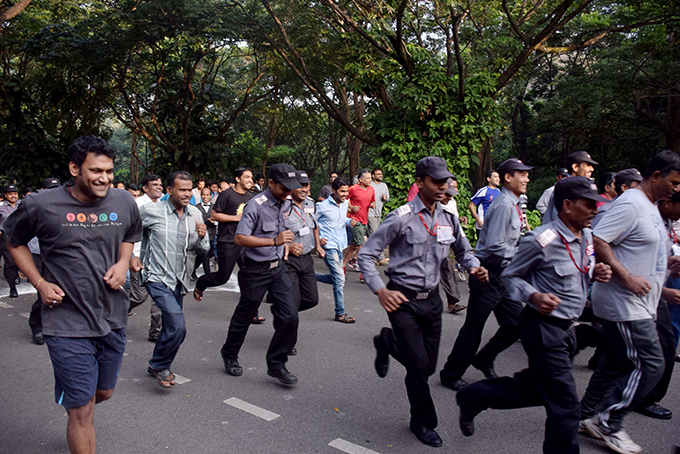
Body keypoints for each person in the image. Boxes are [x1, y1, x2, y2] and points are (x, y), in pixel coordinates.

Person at [5, 136, 142, 454]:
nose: (105, 178)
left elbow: (131, 233)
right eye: (96, 170)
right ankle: (76, 397)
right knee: (82, 412)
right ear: (74, 168)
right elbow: (14, 241)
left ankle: (76, 390)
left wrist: (123, 262)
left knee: (103, 393)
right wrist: (39, 283)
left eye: (109, 171)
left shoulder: (123, 201)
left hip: (112, 315)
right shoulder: (41, 204)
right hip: (66, 321)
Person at [456, 177, 611, 454]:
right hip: (542, 327)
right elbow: (511, 276)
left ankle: (474, 396)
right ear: (567, 205)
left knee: (537, 388)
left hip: (566, 327)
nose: (594, 210)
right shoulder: (542, 239)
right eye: (588, 205)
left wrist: (597, 272)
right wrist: (534, 296)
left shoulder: (586, 236)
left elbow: (581, 268)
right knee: (565, 407)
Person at [358, 156, 488, 448]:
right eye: (437, 181)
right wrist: (380, 290)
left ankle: (388, 343)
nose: (444, 187)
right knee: (418, 369)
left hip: (431, 301)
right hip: (401, 299)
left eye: (446, 181)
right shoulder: (400, 217)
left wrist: (474, 266)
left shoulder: (449, 218)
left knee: (428, 366)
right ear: (420, 183)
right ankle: (422, 420)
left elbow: (465, 252)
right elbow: (366, 255)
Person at [580, 150, 680, 454]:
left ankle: (585, 416)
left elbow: (642, 251)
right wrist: (627, 278)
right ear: (656, 176)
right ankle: (608, 422)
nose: (676, 189)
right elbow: (599, 240)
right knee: (652, 363)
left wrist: (670, 263)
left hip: (643, 303)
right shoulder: (630, 204)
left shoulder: (649, 206)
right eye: (674, 182)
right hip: (624, 304)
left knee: (615, 362)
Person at [440, 158, 532, 391]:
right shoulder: (502, 206)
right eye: (522, 174)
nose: (527, 178)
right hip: (488, 274)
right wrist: (525, 254)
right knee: (474, 328)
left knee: (516, 324)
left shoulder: (515, 203)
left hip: (505, 276)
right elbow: (494, 246)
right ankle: (450, 374)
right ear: (508, 177)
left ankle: (484, 358)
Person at [220, 163, 301, 385]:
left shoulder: (286, 203)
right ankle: (229, 353)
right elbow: (240, 238)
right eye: (284, 187)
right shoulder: (255, 205)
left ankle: (276, 364)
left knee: (290, 316)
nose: (288, 192)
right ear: (271, 183)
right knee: (244, 317)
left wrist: (286, 246)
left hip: (278, 268)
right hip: (255, 271)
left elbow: (283, 232)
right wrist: (273, 241)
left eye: (290, 188)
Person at [135, 171, 208, 388]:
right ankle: (162, 365)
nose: (187, 194)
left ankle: (155, 363)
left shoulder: (195, 214)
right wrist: (130, 257)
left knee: (170, 325)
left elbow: (200, 249)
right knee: (177, 326)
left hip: (180, 279)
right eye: (182, 190)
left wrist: (204, 238)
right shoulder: (151, 210)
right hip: (157, 277)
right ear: (169, 190)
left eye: (189, 189)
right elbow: (127, 232)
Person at [633, 191, 680, 420]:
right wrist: (664, 291)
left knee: (618, 356)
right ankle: (642, 399)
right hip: (640, 293)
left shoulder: (664, 220)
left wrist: (671, 266)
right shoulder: (641, 213)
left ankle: (597, 413)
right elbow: (634, 264)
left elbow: (657, 261)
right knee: (662, 347)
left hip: (653, 291)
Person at [267, 170, 324, 355]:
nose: (304, 189)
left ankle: (281, 310)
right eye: (300, 185)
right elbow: (273, 232)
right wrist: (288, 247)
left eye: (306, 185)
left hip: (307, 259)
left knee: (311, 299)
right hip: (288, 260)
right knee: (292, 304)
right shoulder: (282, 205)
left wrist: (318, 245)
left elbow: (313, 226)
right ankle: (287, 339)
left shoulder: (310, 203)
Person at [193, 167, 253, 302]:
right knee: (222, 277)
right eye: (247, 177)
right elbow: (214, 215)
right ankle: (202, 282)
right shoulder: (227, 195)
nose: (250, 180)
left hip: (245, 242)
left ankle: (251, 312)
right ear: (238, 179)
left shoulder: (251, 197)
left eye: (251, 177)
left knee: (248, 276)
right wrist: (235, 218)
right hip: (228, 241)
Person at [316, 177, 358, 323]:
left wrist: (349, 221)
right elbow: (311, 223)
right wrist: (319, 238)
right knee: (339, 278)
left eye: (347, 191)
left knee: (337, 279)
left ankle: (308, 275)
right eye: (342, 191)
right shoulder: (322, 206)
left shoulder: (345, 203)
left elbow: (340, 220)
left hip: (340, 244)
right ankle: (340, 312)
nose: (345, 194)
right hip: (329, 246)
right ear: (333, 191)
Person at [26, 177, 62, 345]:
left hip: (57, 257)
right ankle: (37, 326)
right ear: (41, 190)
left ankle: (55, 324)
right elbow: (16, 240)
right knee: (43, 292)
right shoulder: (33, 207)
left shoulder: (64, 209)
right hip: (36, 254)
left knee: (60, 291)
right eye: (48, 189)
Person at [129, 174, 164, 343]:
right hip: (139, 256)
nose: (159, 187)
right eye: (155, 184)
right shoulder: (136, 205)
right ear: (145, 188)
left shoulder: (165, 205)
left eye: (160, 185)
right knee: (139, 296)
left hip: (159, 259)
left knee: (159, 297)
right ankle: (117, 313)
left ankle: (155, 331)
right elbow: (126, 232)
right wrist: (130, 256)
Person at [542, 151, 598, 224]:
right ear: (575, 167)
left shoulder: (579, 186)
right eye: (588, 165)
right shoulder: (565, 188)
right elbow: (560, 221)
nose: (591, 169)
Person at [343, 169, 375, 282]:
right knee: (362, 245)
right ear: (360, 180)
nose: (370, 180)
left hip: (364, 221)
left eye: (371, 178)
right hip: (355, 221)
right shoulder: (353, 189)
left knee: (353, 246)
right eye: (368, 178)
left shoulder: (371, 189)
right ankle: (363, 273)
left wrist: (372, 205)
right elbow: (343, 199)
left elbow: (373, 201)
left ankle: (342, 266)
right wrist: (351, 207)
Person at [440, 181, 467, 314]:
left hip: (446, 241)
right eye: (448, 193)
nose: (451, 197)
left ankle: (452, 303)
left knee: (447, 269)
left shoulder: (451, 203)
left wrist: (473, 265)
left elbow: (464, 249)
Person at [0, 184, 21, 297]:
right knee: (10, 262)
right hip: (6, 237)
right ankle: (12, 287)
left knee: (21, 260)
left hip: (22, 236)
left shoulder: (22, 204)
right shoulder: (1, 206)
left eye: (15, 193)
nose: (13, 196)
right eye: (10, 194)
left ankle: (17, 274)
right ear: (5, 195)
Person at [192, 187, 216, 280]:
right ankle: (208, 276)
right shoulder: (196, 207)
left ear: (210, 196)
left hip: (211, 235)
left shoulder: (214, 207)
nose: (205, 197)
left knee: (206, 255)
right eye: (203, 195)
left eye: (207, 195)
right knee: (205, 255)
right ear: (200, 195)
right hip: (200, 236)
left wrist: (215, 221)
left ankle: (192, 268)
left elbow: (218, 219)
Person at [368, 167, 390, 265]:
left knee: (371, 236)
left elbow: (387, 199)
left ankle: (370, 258)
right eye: (378, 174)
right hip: (370, 213)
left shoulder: (384, 185)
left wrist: (385, 198)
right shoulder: (369, 185)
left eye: (381, 174)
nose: (380, 175)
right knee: (376, 235)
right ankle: (380, 258)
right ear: (373, 176)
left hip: (378, 213)